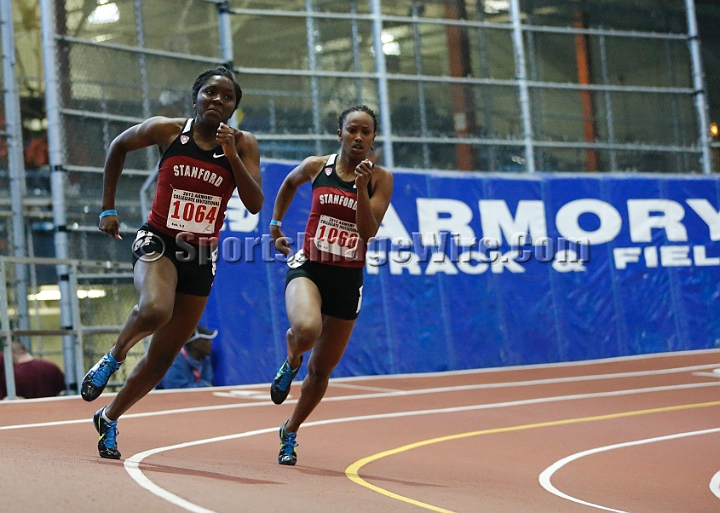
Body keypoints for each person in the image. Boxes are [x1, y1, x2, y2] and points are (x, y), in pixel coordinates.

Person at [80, 66, 263, 459]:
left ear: (233, 108)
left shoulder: (244, 144)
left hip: (199, 255)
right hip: (158, 238)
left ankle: (109, 417)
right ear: (195, 97)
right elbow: (117, 147)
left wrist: (231, 154)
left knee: (162, 357)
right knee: (155, 308)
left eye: (227, 97)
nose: (217, 100)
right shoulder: (167, 131)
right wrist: (107, 208)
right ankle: (113, 357)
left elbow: (255, 203)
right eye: (210, 93)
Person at [268, 105, 394, 465]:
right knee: (307, 330)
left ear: (372, 139)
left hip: (347, 278)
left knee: (321, 370)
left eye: (366, 132)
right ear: (340, 134)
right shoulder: (315, 167)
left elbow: (368, 232)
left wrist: (358, 188)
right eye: (352, 130)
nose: (358, 137)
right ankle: (292, 358)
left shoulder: (380, 179)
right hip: (310, 267)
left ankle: (289, 431)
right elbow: (289, 183)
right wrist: (276, 225)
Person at [156, 324, 217, 389]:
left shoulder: (205, 358)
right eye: (207, 340)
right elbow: (174, 387)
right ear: (195, 343)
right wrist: (203, 386)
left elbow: (208, 381)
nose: (211, 343)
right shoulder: (174, 360)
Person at [0, 340, 65, 399]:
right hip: (52, 407)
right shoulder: (51, 366)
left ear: (11, 354)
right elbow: (62, 388)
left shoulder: (12, 374)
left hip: (25, 409)